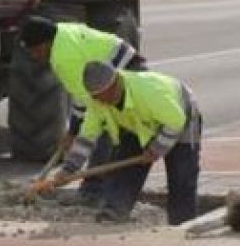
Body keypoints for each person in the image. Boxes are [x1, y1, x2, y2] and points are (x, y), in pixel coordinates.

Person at [31, 61, 203, 225]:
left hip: (181, 114)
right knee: (124, 168)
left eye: (101, 95)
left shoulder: (148, 91)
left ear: (114, 84)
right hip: (137, 124)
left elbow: (176, 121)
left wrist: (157, 149)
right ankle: (115, 211)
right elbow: (86, 138)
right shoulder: (97, 101)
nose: (99, 101)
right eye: (94, 97)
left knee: (181, 175)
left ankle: (182, 222)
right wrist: (68, 169)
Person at [16, 16, 145, 199]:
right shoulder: (60, 31)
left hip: (122, 71)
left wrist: (73, 133)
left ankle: (94, 193)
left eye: (34, 50)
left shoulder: (64, 58)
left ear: (45, 44)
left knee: (106, 131)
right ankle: (98, 191)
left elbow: (84, 100)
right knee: (104, 131)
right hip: (123, 63)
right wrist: (73, 133)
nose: (33, 55)